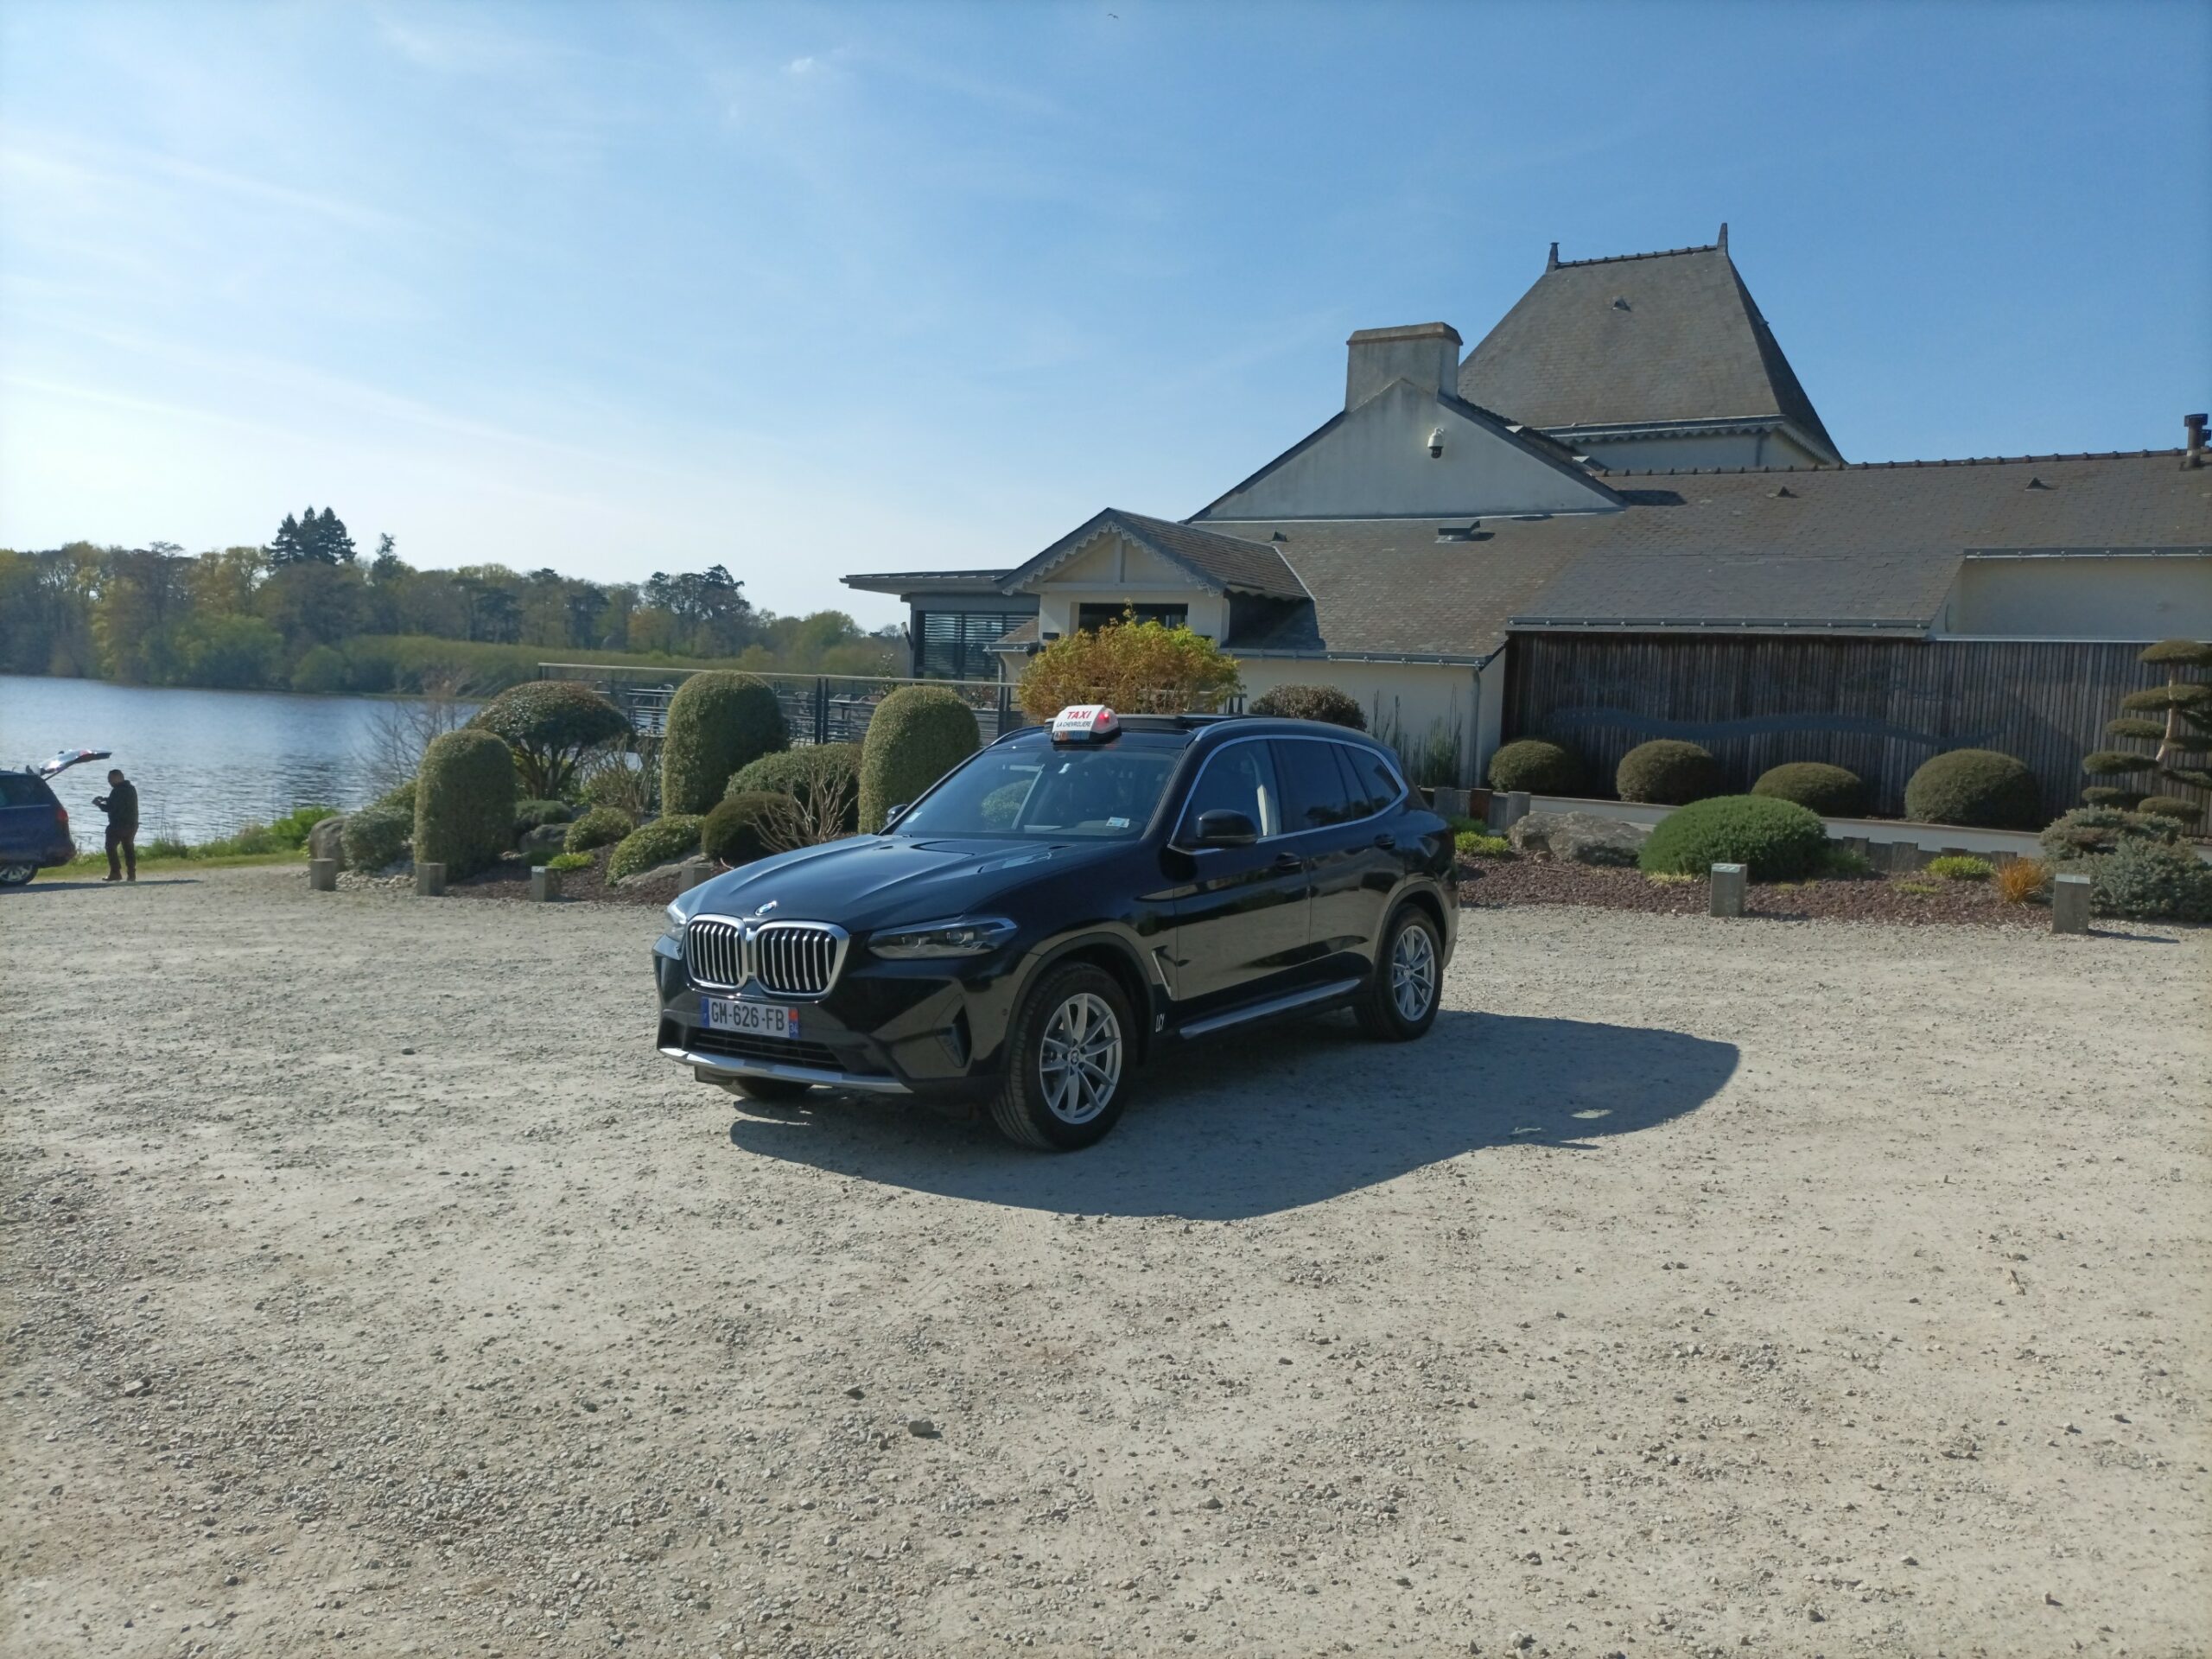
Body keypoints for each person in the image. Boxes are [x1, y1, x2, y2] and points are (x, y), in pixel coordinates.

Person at [92, 768, 138, 882]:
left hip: (118, 825)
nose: (109, 782)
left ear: (118, 778)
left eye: (110, 779)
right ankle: (131, 874)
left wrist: (99, 804)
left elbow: (111, 808)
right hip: (132, 824)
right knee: (128, 848)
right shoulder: (131, 789)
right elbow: (119, 801)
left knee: (110, 847)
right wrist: (106, 799)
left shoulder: (117, 791)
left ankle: (115, 872)